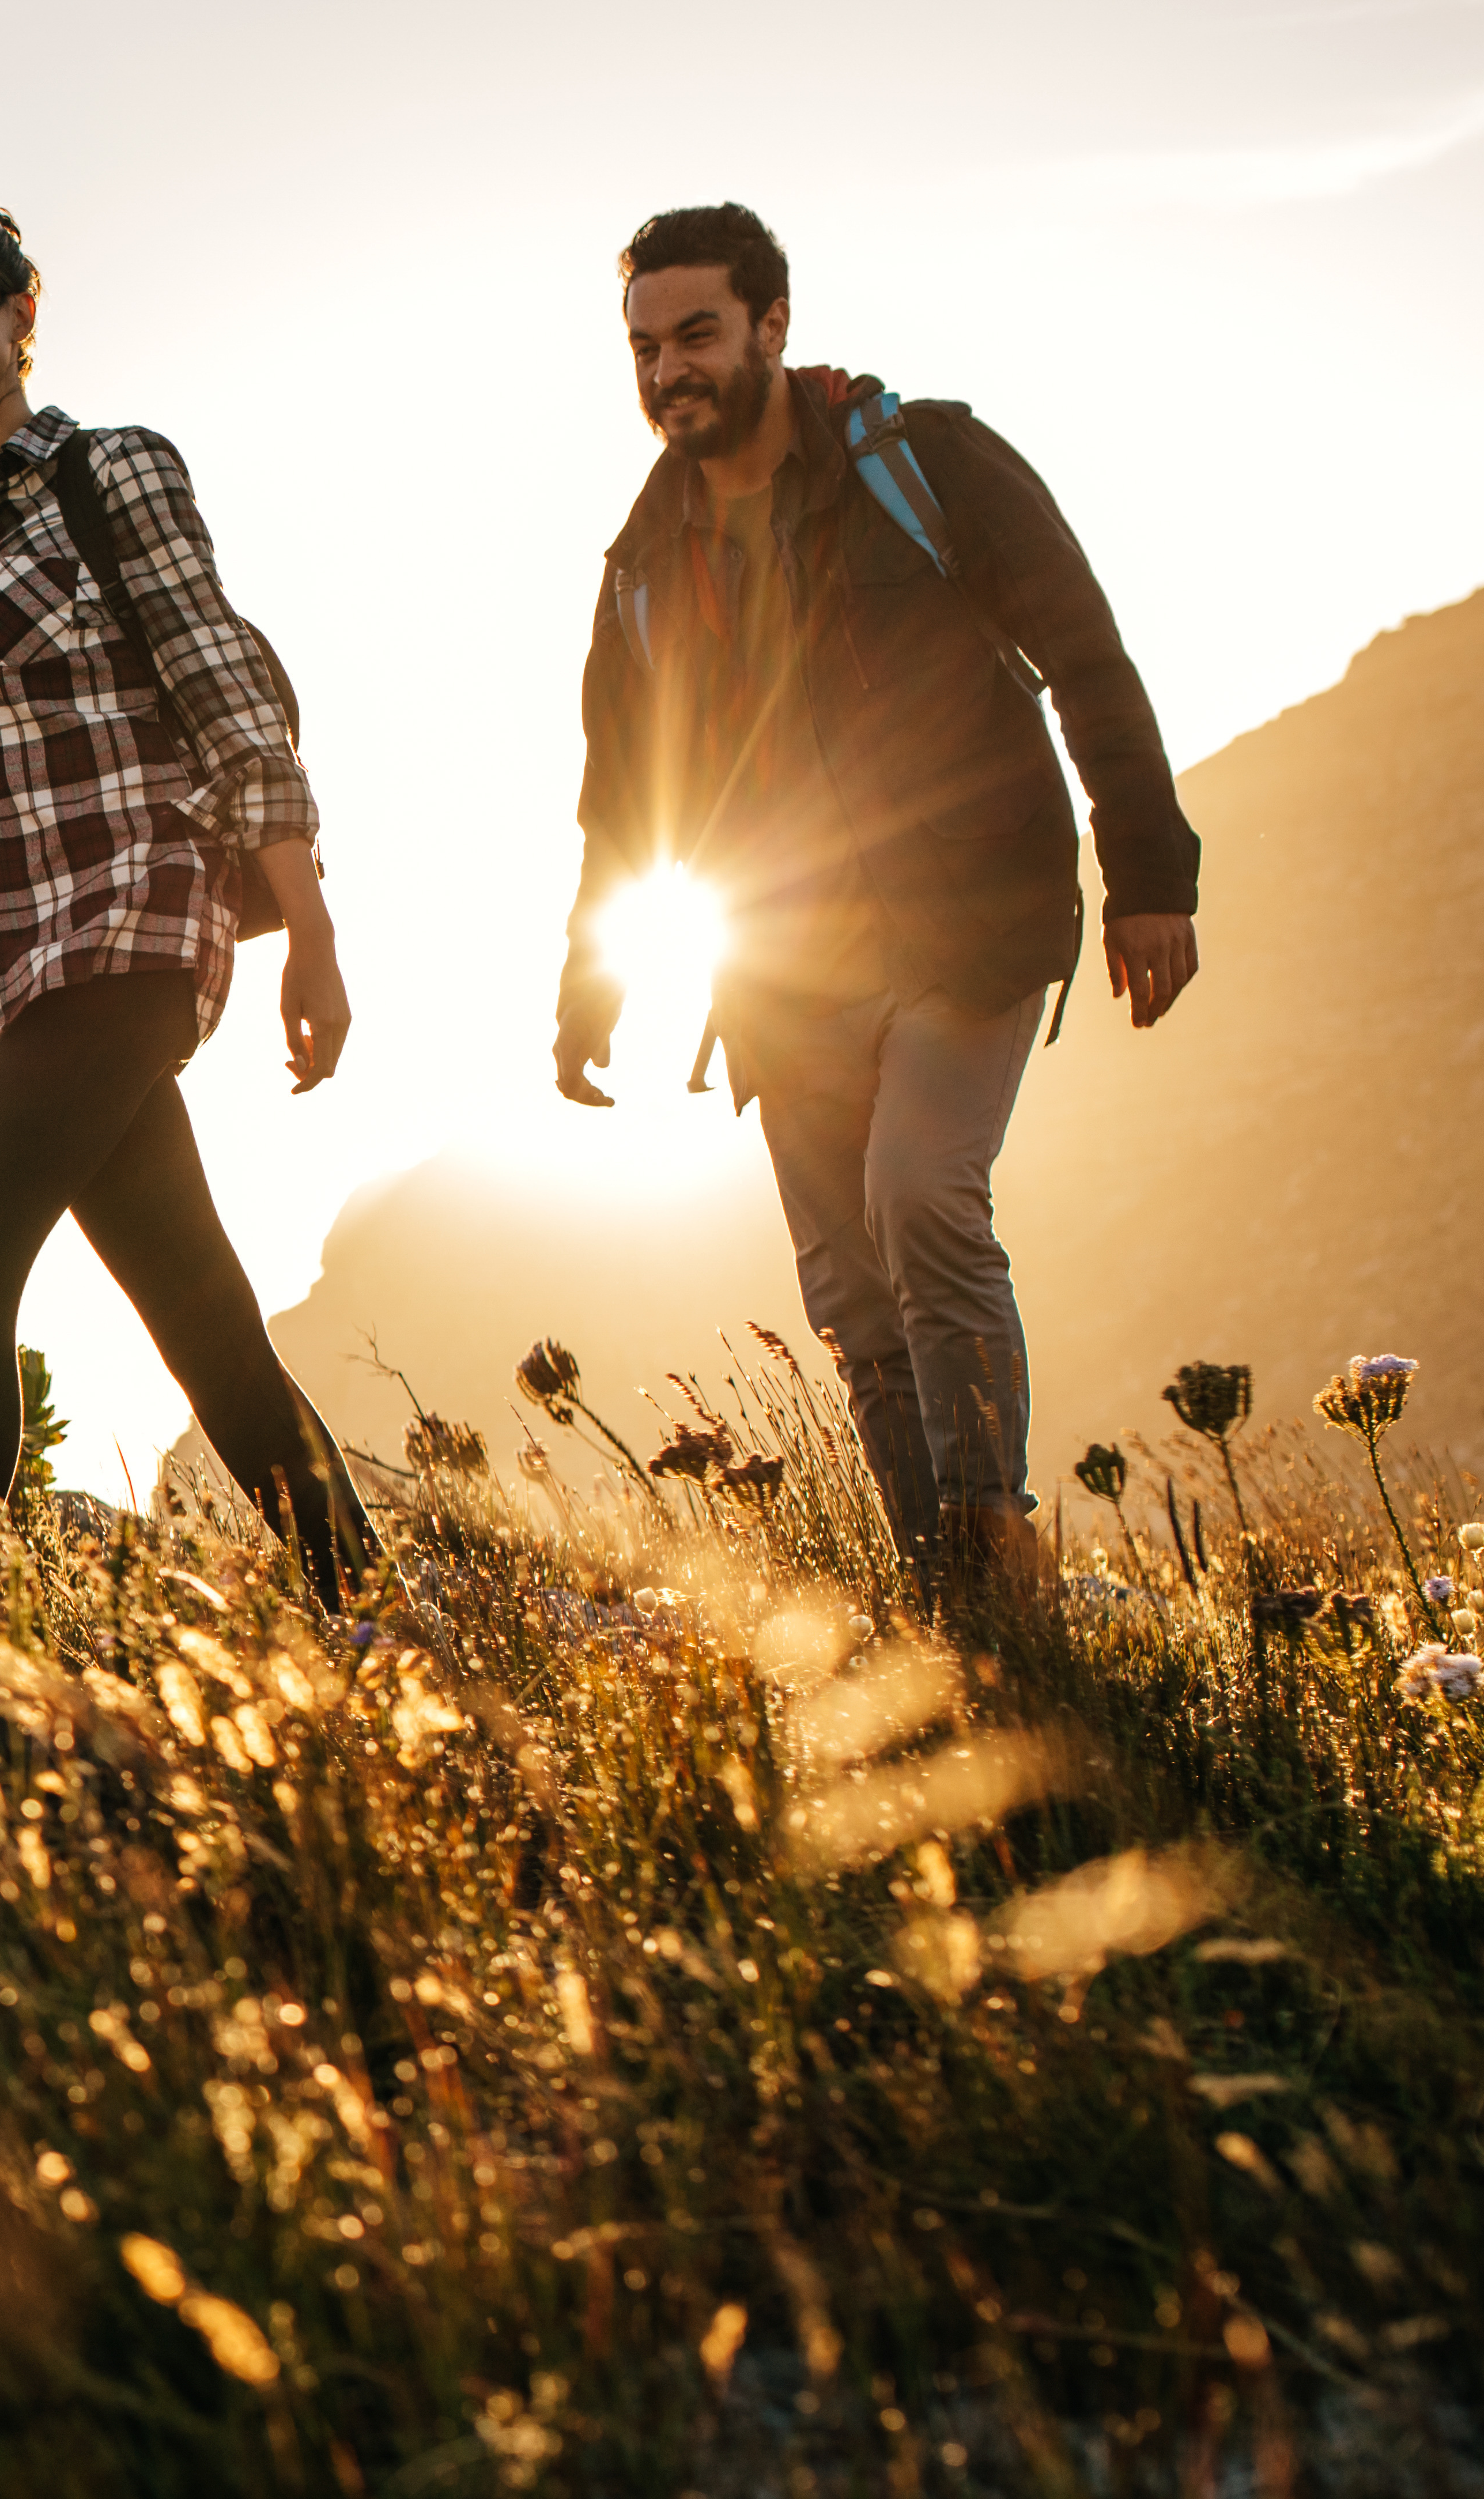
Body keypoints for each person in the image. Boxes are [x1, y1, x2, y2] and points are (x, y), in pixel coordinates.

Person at [553, 203, 1200, 1598]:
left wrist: (1149, 873)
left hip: (967, 920)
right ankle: (944, 1596)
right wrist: (589, 989)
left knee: (923, 1198)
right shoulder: (643, 569)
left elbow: (1087, 656)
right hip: (782, 963)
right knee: (848, 1293)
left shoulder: (930, 466)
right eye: (645, 347)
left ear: (772, 326)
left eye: (699, 336)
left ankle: (991, 1532)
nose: (671, 372)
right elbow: (623, 801)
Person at [0, 194, 374, 1617]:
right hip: (23, 967)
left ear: (26, 307)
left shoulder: (109, 471)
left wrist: (307, 931)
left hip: (140, 924)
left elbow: (223, 688)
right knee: (204, 1322)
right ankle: (380, 1611)